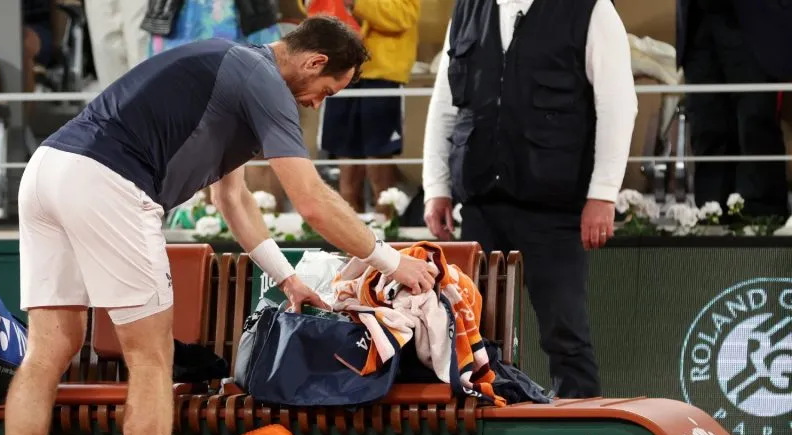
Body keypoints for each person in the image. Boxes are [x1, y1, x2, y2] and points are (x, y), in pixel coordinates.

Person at [0, 15, 437, 435]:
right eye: (326, 91)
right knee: (151, 359)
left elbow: (233, 197)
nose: (318, 103)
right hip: (109, 182)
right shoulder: (266, 82)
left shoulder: (232, 66)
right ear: (314, 62)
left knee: (47, 350)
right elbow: (314, 202)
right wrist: (391, 259)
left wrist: (287, 278)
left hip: (46, 174)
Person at [421, 0, 637, 399]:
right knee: (471, 332)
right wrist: (436, 186)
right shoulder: (468, 9)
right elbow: (445, 105)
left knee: (565, 333)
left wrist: (603, 194)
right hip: (482, 201)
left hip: (555, 206)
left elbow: (619, 106)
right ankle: (485, 430)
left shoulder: (591, 10)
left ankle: (578, 434)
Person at [677, 0, 792, 220]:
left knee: (754, 122)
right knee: (706, 123)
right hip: (697, 18)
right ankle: (712, 216)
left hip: (756, 20)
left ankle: (760, 223)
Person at [318, 0, 420, 212]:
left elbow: (404, 16)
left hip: (383, 70)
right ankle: (349, 237)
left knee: (379, 161)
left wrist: (356, 2)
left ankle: (385, 232)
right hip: (338, 64)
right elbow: (313, 6)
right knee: (345, 166)